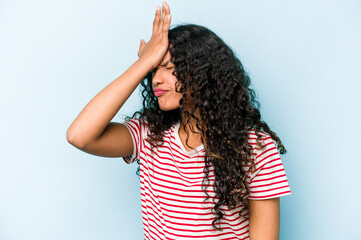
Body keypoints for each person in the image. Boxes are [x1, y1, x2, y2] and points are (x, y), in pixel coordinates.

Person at [66, 2, 291, 239]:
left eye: (169, 68)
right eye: (153, 70)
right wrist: (142, 63)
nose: (156, 79)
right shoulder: (149, 135)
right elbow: (79, 135)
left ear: (203, 74)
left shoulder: (255, 147)